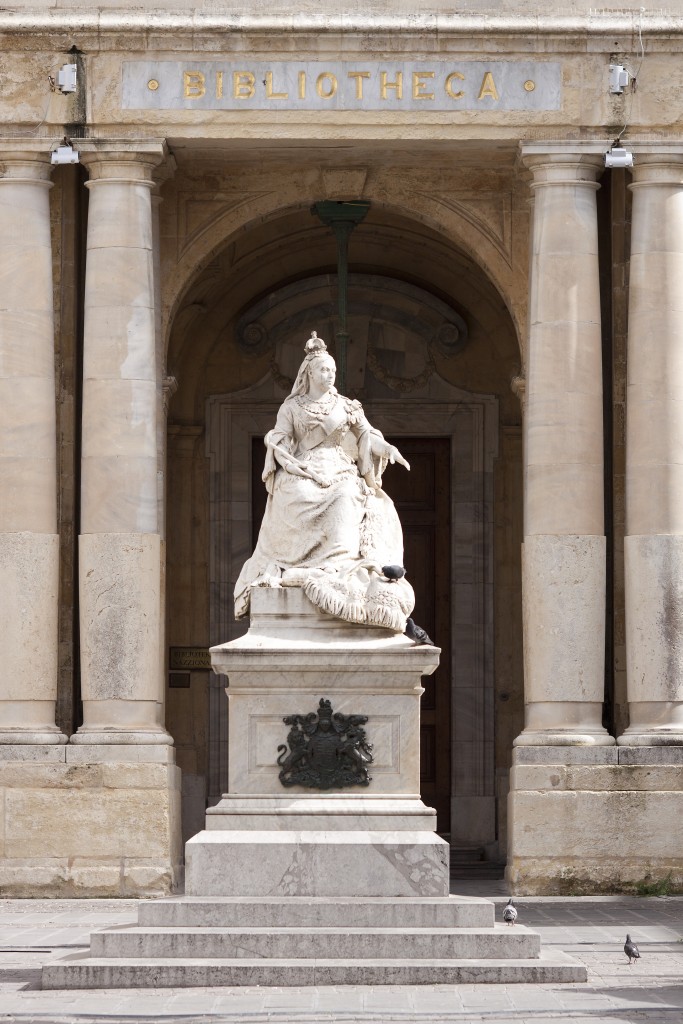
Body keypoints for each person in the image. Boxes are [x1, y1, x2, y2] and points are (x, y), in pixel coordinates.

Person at [234, 332, 415, 629]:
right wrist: (277, 448)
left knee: (345, 495)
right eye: (323, 370)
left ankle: (339, 566)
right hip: (304, 469)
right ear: (310, 373)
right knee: (293, 492)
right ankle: (297, 567)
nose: (329, 375)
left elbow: (366, 434)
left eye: (332, 370)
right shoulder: (291, 408)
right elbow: (281, 439)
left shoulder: (346, 405)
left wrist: (388, 449)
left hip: (339, 469)